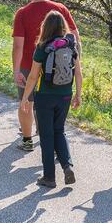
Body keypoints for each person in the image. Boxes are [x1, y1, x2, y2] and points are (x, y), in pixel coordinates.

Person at [12, 0, 79, 152]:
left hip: (29, 65)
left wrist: (16, 70)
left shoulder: (22, 13)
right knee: (51, 101)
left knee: (27, 102)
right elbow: (75, 37)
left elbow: (18, 46)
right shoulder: (60, 9)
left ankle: (27, 141)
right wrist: (74, 61)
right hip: (57, 67)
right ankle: (53, 141)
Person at [20, 10, 82, 188]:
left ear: (45, 27)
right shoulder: (71, 46)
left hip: (45, 96)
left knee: (47, 136)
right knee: (59, 131)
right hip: (65, 95)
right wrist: (78, 94)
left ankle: (49, 177)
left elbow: (33, 76)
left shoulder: (43, 47)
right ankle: (67, 166)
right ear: (63, 26)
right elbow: (78, 72)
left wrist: (25, 97)